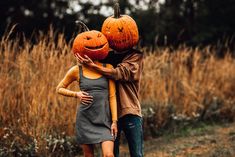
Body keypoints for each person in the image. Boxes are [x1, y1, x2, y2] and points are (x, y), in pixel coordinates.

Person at [75, 47, 144, 157]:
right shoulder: (105, 56)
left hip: (130, 111)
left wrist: (93, 66)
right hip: (109, 115)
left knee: (136, 154)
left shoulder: (135, 56)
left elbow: (118, 73)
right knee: (112, 154)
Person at [56, 60, 118, 157]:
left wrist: (114, 121)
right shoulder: (77, 70)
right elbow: (59, 88)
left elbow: (112, 96)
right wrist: (76, 94)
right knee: (88, 155)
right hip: (85, 119)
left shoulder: (107, 67)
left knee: (109, 154)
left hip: (104, 120)